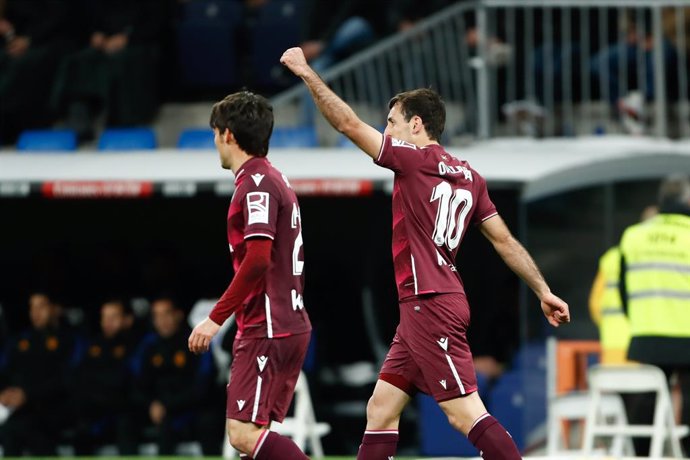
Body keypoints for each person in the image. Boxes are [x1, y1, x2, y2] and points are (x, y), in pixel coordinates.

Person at [280, 47, 570, 459]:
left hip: (429, 303)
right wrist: (542, 289)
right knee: (380, 410)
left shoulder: (412, 161)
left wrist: (306, 72)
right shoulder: (470, 176)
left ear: (416, 124)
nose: (387, 129)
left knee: (464, 413)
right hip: (431, 301)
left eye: (392, 122)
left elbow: (345, 123)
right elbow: (504, 240)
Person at [188, 90, 313, 460]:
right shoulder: (273, 178)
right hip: (284, 323)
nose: (215, 144)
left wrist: (215, 319)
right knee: (255, 440)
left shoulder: (256, 184)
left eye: (215, 134)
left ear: (228, 134)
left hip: (268, 327)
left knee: (242, 435)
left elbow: (257, 260)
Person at [619, 174, 690, 456]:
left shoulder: (634, 235)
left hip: (645, 334)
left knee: (647, 396)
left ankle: (641, 453)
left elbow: (624, 288)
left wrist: (639, 321)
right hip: (687, 334)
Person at [49, 0, 166, 142]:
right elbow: (93, 17)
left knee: (123, 62)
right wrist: (96, 33)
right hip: (106, 41)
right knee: (78, 61)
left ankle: (123, 120)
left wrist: (129, 38)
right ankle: (80, 111)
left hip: (139, 43)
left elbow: (159, 20)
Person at [129, 296, 222, 455]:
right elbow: (135, 382)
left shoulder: (196, 340)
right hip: (160, 411)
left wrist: (168, 405)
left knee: (208, 422)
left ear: (178, 315)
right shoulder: (147, 345)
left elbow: (203, 385)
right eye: (157, 316)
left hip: (191, 408)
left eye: (166, 314)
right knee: (128, 421)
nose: (162, 320)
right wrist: (151, 403)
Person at [0, 290, 79, 456]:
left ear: (55, 309)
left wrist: (28, 394)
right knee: (11, 428)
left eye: (41, 306)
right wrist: (5, 392)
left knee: (30, 426)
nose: (36, 313)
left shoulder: (70, 340)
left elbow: (68, 380)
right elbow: (6, 372)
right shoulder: (21, 342)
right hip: (19, 409)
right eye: (32, 308)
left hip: (56, 406)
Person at [588, 205, 658, 365]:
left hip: (613, 342)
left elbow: (595, 304)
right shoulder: (658, 259)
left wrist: (608, 325)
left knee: (614, 386)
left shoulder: (611, 257)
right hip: (645, 342)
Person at [0, 0, 74, 144]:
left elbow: (58, 19)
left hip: (49, 41)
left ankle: (19, 126)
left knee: (23, 64)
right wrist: (9, 34)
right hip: (14, 41)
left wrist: (29, 39)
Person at [69, 299, 136, 455]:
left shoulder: (136, 344)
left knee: (125, 424)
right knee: (81, 430)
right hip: (96, 409)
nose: (108, 322)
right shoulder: (93, 345)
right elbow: (78, 377)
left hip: (125, 409)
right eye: (104, 317)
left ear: (127, 320)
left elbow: (123, 379)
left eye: (114, 317)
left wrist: (97, 380)